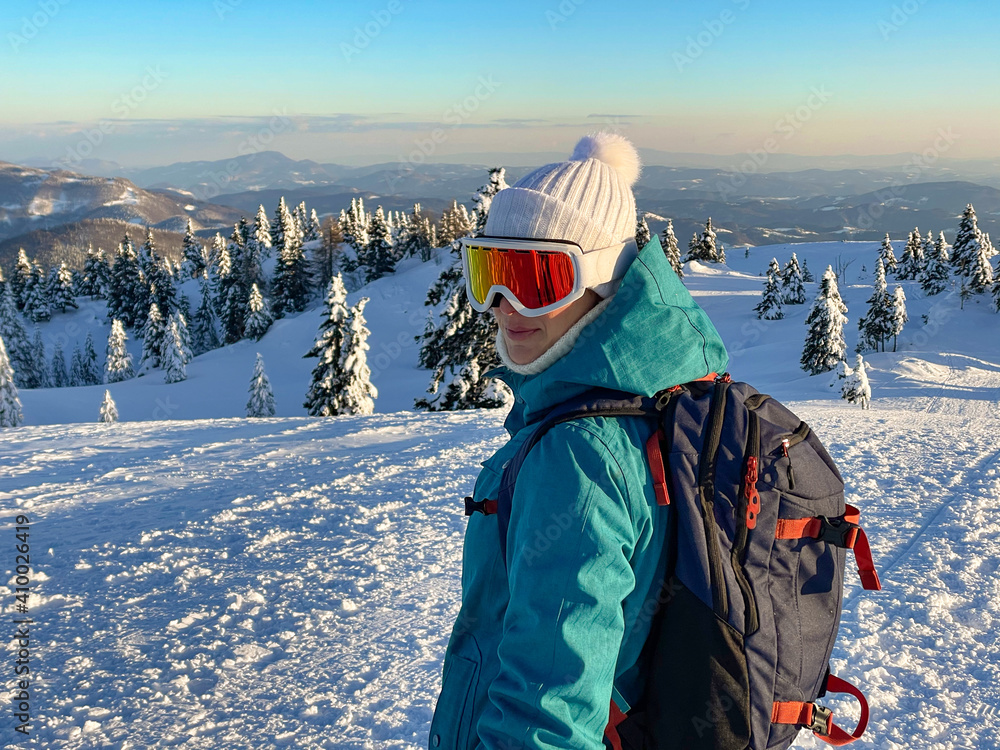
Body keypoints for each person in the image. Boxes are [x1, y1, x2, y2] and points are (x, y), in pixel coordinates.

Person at [428, 133, 729, 749]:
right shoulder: (660, 394)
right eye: (490, 272)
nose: (506, 306)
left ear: (599, 280)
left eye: (538, 278)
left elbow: (550, 715)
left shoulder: (580, 452)